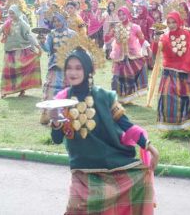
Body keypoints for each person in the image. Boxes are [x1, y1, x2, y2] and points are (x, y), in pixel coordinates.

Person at [48, 44, 159, 215]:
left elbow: (125, 124)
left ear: (88, 70)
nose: (73, 72)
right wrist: (55, 121)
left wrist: (149, 146)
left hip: (112, 163)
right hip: (82, 169)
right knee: (75, 209)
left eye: (78, 68)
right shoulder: (61, 100)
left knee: (142, 185)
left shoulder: (104, 97)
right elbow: (56, 139)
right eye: (69, 68)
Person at [150, 11, 190, 131]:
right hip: (169, 74)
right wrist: (156, 40)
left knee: (186, 100)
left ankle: (184, 126)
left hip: (186, 73)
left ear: (179, 21)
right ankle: (171, 128)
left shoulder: (188, 34)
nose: (171, 25)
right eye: (169, 22)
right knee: (168, 99)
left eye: (174, 22)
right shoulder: (164, 37)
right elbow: (156, 51)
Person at [105, 6, 148, 104]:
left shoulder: (135, 27)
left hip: (132, 57)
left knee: (129, 79)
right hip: (119, 57)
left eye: (123, 14)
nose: (121, 16)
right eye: (119, 15)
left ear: (128, 14)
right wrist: (109, 31)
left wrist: (141, 50)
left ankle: (128, 99)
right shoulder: (116, 27)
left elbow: (141, 39)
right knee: (116, 78)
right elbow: (107, 39)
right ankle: (118, 98)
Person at [0, 4, 42, 98]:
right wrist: (0, 28)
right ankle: (5, 90)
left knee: (21, 70)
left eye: (13, 13)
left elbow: (28, 35)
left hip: (22, 50)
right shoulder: (8, 22)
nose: (11, 15)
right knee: (9, 71)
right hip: (9, 51)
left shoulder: (22, 23)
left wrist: (38, 47)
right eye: (10, 13)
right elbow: (0, 29)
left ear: (17, 13)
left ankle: (22, 90)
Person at [40, 12, 76, 100]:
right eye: (54, 21)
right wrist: (42, 42)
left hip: (68, 65)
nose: (56, 23)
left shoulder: (72, 34)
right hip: (54, 64)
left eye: (58, 21)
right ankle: (52, 108)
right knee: (52, 89)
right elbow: (48, 49)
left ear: (64, 21)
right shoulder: (51, 34)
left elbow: (76, 50)